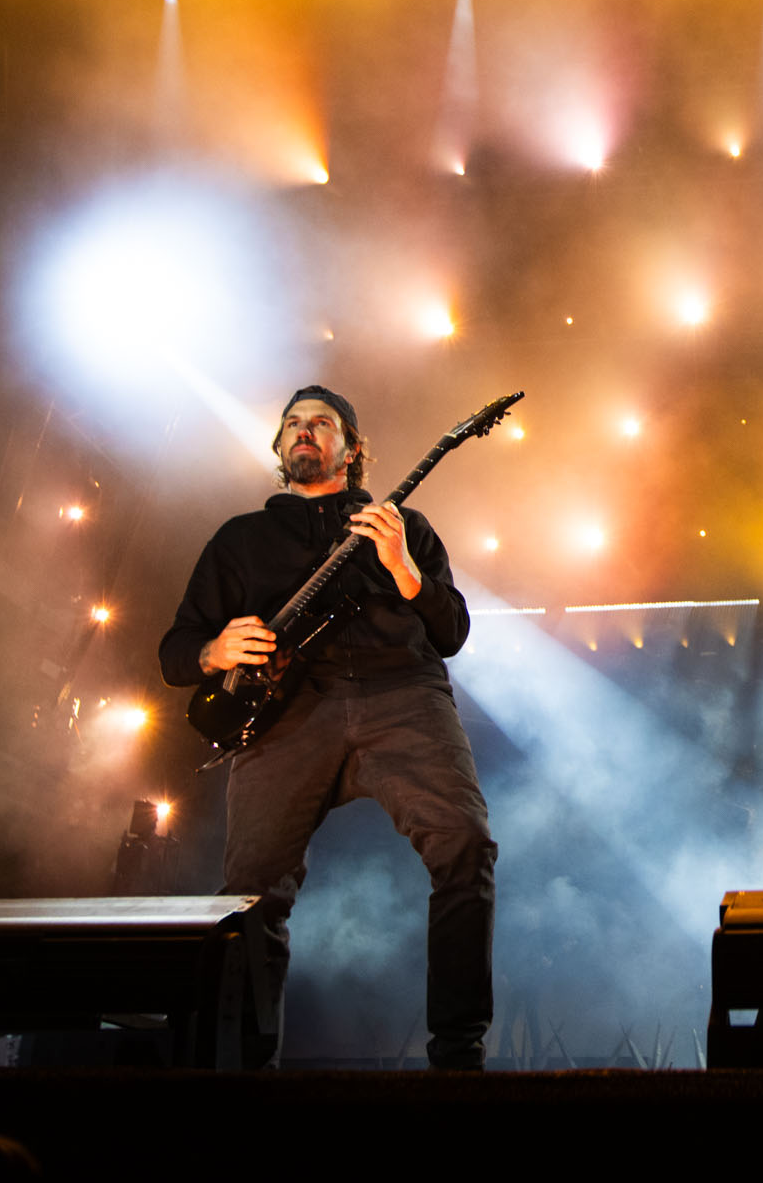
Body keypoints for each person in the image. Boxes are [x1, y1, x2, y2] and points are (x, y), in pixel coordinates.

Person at [159, 385, 495, 1070]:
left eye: (321, 422)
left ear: (353, 449)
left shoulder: (403, 525)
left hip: (404, 692)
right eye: (292, 424)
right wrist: (215, 650)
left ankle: (459, 1056)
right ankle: (246, 1066)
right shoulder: (240, 540)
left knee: (465, 844)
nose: (304, 430)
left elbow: (454, 631)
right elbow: (175, 652)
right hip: (290, 712)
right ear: (280, 447)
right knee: (251, 891)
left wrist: (404, 569)